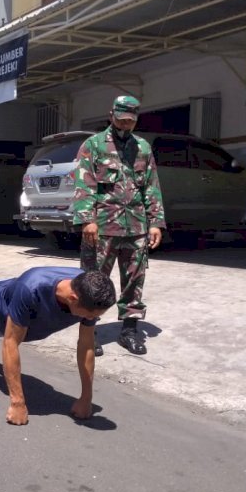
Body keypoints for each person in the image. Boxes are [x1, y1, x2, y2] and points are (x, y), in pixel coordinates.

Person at [0, 267, 116, 425]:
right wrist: (17, 403)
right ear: (73, 298)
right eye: (91, 315)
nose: (92, 319)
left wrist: (86, 398)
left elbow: (86, 345)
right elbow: (10, 343)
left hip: (23, 323)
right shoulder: (31, 289)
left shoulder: (88, 292)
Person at [72, 95, 166, 356]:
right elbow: (84, 185)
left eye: (131, 121)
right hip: (101, 227)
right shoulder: (93, 145)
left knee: (134, 280)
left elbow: (151, 187)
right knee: (93, 280)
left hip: (136, 227)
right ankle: (90, 332)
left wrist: (156, 223)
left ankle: (129, 331)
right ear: (111, 115)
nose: (126, 125)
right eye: (122, 120)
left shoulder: (143, 148)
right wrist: (87, 220)